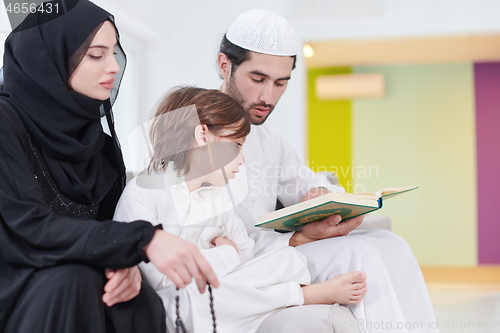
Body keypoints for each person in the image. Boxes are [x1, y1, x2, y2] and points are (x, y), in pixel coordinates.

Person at [216, 9, 439, 333]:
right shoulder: (198, 132)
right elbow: (226, 242)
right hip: (249, 264)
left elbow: (309, 183)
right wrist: (298, 239)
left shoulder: (267, 137)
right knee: (362, 254)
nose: (269, 97)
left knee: (392, 244)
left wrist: (324, 197)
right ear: (225, 65)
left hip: (276, 250)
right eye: (258, 79)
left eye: (281, 83)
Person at [0, 1, 218, 332]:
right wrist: (141, 241)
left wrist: (123, 264)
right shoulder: (6, 121)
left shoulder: (98, 146)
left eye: (115, 52)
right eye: (96, 54)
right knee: (74, 283)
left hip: (76, 276)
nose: (115, 66)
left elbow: (106, 229)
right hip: (15, 281)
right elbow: (29, 227)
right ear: (49, 59)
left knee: (133, 294)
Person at [114, 86, 368, 333]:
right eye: (236, 146)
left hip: (225, 285)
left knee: (290, 261)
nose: (242, 159)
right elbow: (165, 280)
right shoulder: (143, 193)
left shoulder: (215, 195)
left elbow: (245, 254)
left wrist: (231, 256)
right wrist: (226, 253)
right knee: (195, 296)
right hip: (176, 302)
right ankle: (301, 295)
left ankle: (261, 302)